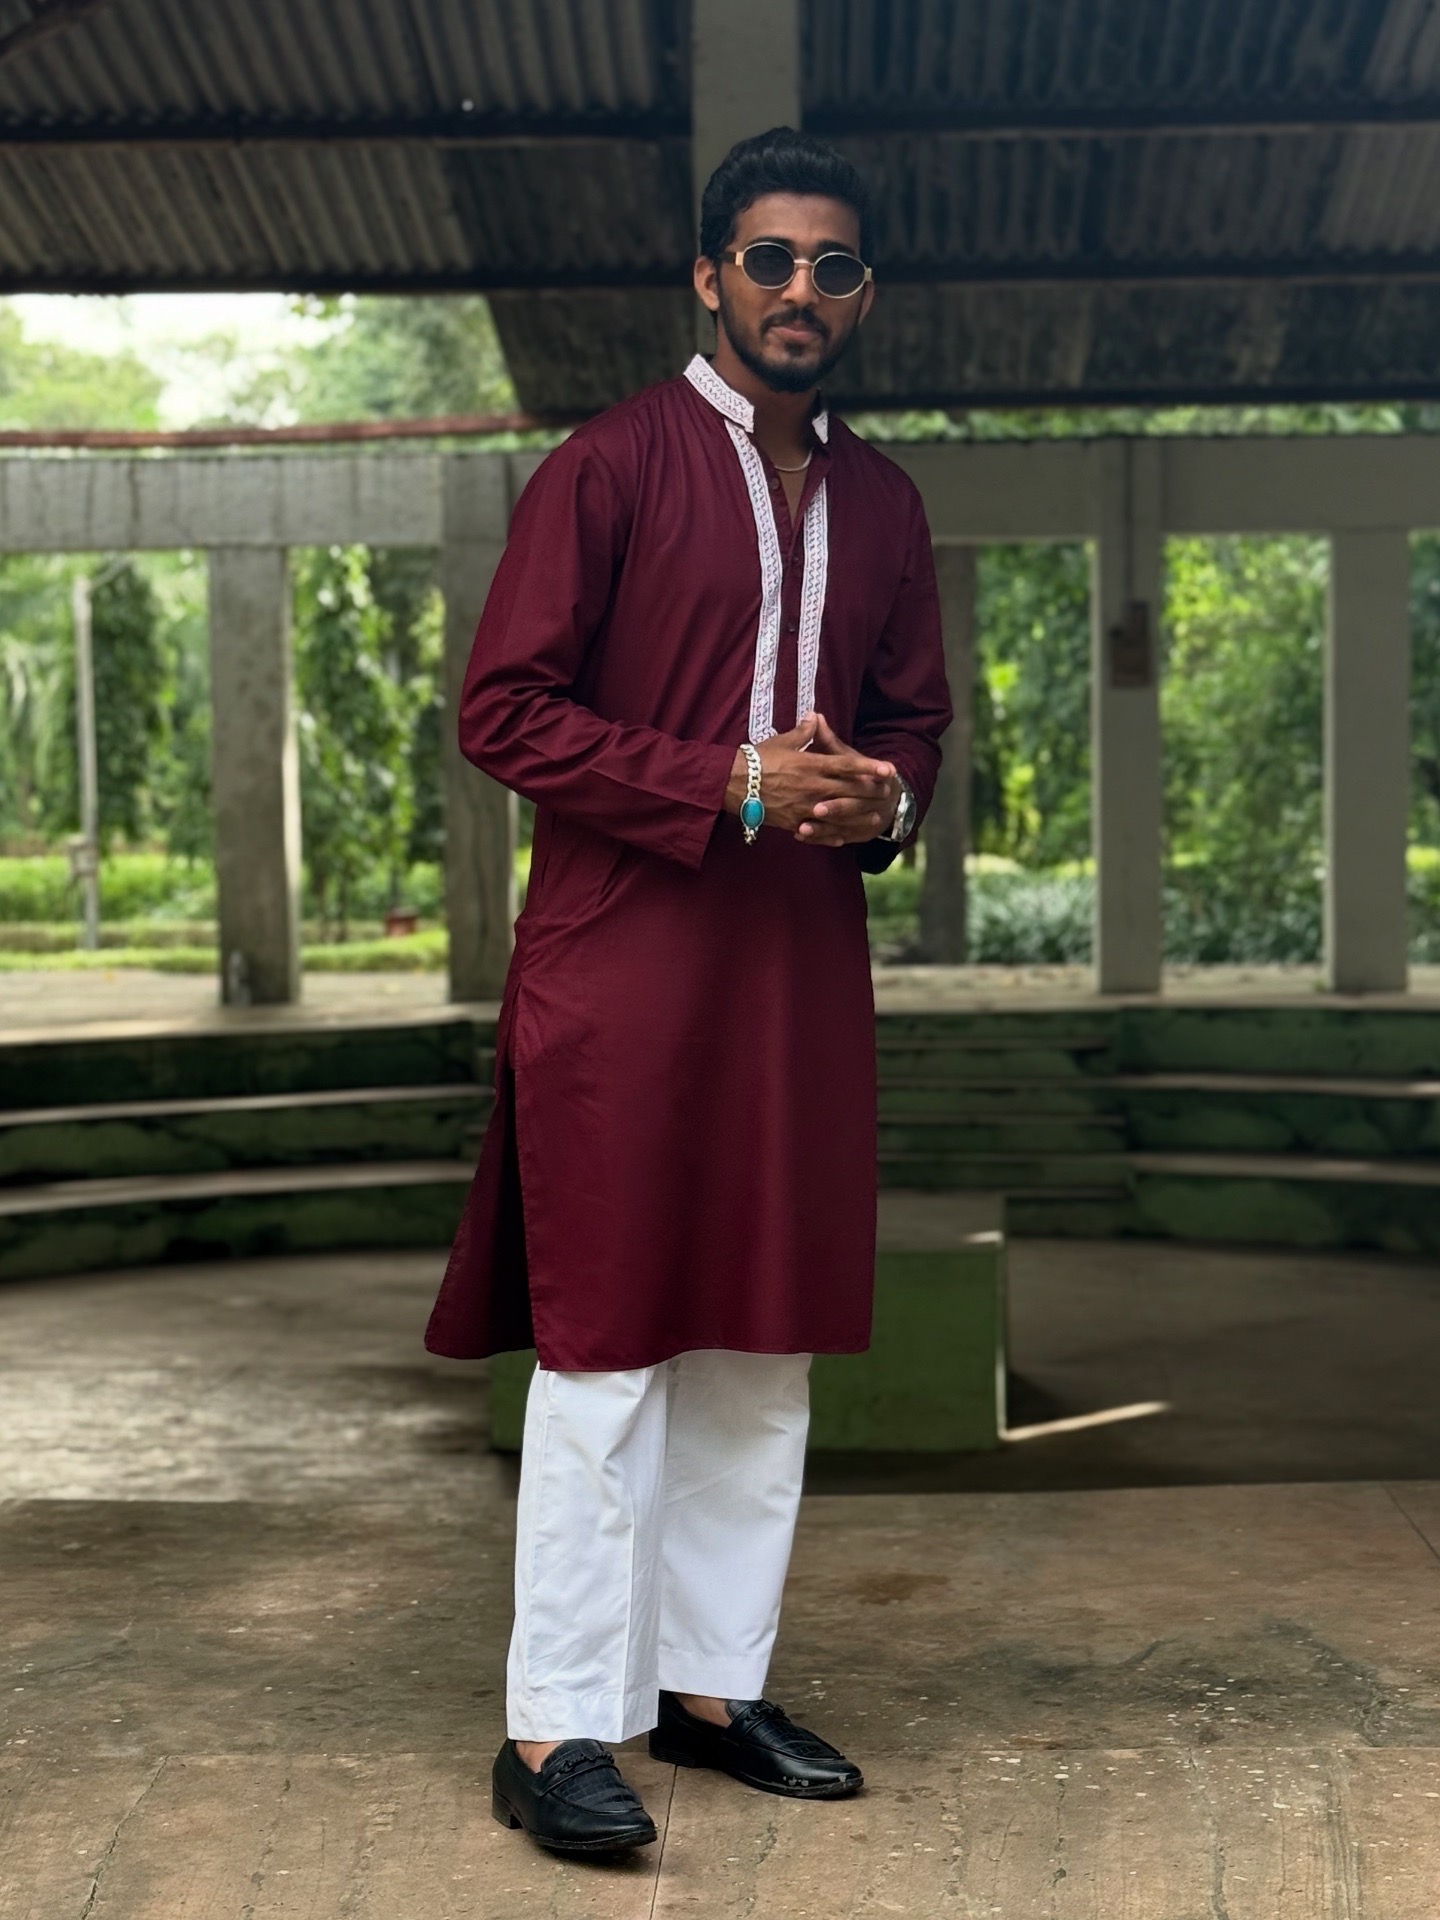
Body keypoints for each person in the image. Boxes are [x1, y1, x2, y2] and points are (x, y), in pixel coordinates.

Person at [424, 126, 952, 1858]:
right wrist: (729, 781)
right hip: (624, 963)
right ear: (710, 275)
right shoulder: (610, 468)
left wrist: (885, 799)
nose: (804, 289)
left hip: (795, 971)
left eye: (835, 265)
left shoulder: (887, 503)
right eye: (772, 259)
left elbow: (916, 724)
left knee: (761, 1339)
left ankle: (716, 1689)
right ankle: (559, 1725)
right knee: (609, 1351)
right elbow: (503, 712)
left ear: (862, 294)